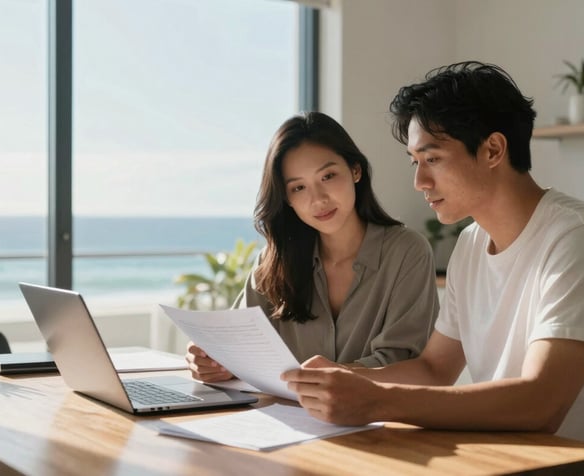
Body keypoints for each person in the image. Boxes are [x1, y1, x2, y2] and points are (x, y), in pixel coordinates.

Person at [281, 62, 584, 466]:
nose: (419, 181)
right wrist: (338, 382)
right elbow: (434, 368)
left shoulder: (578, 237)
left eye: (432, 159)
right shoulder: (471, 244)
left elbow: (541, 403)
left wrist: (379, 401)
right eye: (414, 162)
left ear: (493, 149)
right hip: (502, 459)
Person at [186, 111, 439, 382]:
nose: (318, 199)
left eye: (328, 176)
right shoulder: (273, 262)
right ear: (287, 198)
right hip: (285, 420)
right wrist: (212, 361)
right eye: (298, 188)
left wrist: (327, 378)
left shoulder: (407, 252)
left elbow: (406, 363)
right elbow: (239, 350)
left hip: (383, 420)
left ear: (355, 170)